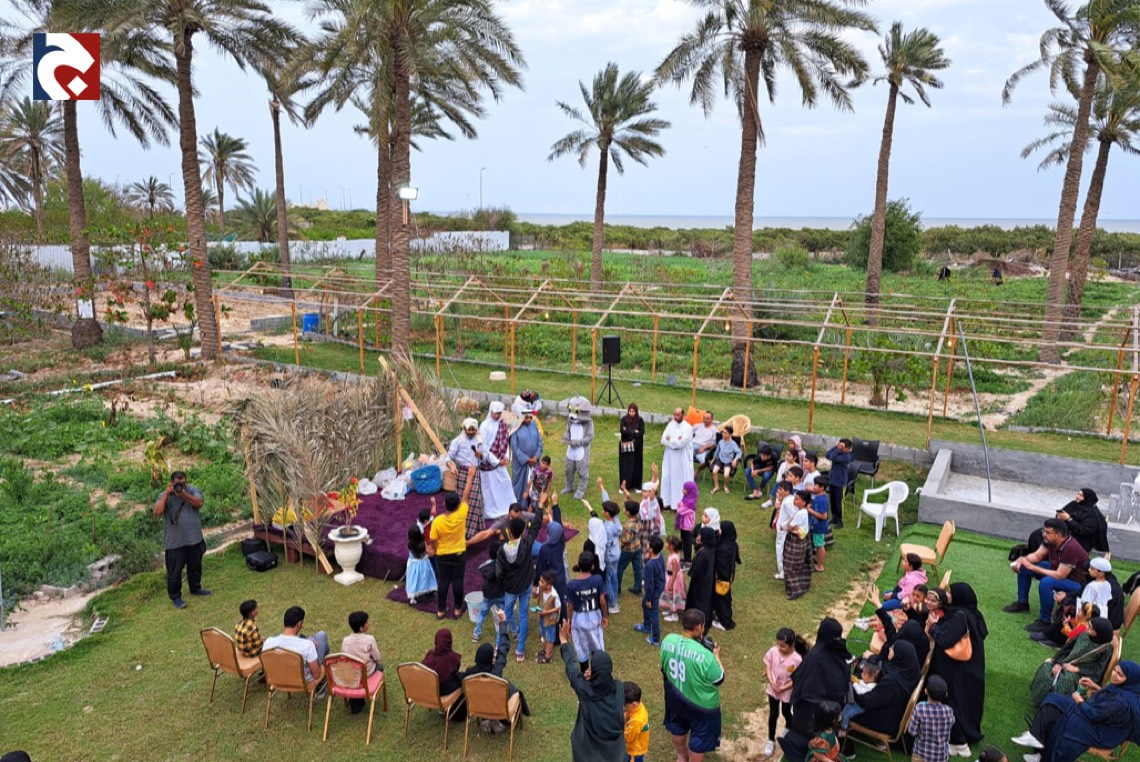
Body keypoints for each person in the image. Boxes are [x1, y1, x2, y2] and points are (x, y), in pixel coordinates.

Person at [1013, 662, 1140, 762]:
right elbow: (1108, 703)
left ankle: (1045, 757)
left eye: (1120, 674)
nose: (1114, 675)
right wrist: (1095, 686)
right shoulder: (1124, 689)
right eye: (1115, 670)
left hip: (1101, 731)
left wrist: (1079, 700)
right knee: (1054, 700)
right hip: (1096, 715)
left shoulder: (1121, 702)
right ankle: (1036, 738)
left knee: (1067, 720)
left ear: (1130, 680)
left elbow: (1094, 715)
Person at [928, 583, 988, 757]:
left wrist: (934, 626)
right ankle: (963, 737)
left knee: (954, 703)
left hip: (956, 671)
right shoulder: (973, 613)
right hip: (971, 669)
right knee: (966, 704)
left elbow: (945, 640)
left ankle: (959, 742)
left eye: (950, 592)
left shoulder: (959, 617)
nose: (947, 594)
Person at [781, 618, 851, 762]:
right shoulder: (838, 650)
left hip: (816, 709)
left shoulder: (816, 656)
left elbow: (804, 684)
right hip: (834, 705)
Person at [660, 609, 725, 762]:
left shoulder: (668, 640)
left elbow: (663, 668)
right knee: (699, 739)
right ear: (698, 627)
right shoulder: (706, 656)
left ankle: (681, 757)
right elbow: (719, 679)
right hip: (702, 707)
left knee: (678, 727)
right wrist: (716, 655)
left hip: (675, 699)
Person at [559, 617, 626, 762]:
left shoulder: (585, 690)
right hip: (613, 754)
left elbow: (571, 667)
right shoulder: (619, 688)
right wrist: (595, 676)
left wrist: (563, 639)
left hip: (587, 754)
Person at [1006, 518, 1089, 628]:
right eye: (1044, 531)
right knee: (1025, 567)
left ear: (1058, 535)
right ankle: (1022, 603)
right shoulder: (1050, 540)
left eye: (1048, 532)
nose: (1044, 534)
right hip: (1058, 569)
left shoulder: (1071, 548)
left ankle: (1044, 621)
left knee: (1046, 583)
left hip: (1077, 583)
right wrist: (1022, 560)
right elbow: (1037, 555)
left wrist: (1032, 567)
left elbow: (1060, 575)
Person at [1028, 616, 1115, 709]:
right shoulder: (1083, 634)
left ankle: (1053, 707)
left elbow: (1098, 671)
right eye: (1088, 625)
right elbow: (1066, 649)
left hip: (1082, 674)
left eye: (1090, 627)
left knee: (1063, 680)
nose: (1087, 627)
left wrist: (1077, 669)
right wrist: (1058, 663)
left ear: (1099, 633)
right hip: (1065, 663)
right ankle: (1039, 701)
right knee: (1047, 669)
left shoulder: (1106, 649)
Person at [460, 612, 531, 726]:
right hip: (498, 707)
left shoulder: (469, 675)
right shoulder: (496, 672)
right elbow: (503, 648)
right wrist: (503, 623)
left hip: (479, 707)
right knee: (514, 691)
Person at [427, 465, 477, 620]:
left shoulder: (438, 521)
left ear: (445, 504)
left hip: (442, 555)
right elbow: (466, 496)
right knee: (457, 581)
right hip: (459, 554)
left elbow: (433, 540)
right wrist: (470, 476)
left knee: (443, 582)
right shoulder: (461, 514)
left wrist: (434, 548)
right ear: (458, 506)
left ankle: (441, 611)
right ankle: (457, 610)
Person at [153, 470, 209, 609]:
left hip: (194, 539)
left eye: (183, 483)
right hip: (175, 543)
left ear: (186, 481)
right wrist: (166, 494)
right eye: (178, 483)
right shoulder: (165, 495)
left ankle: (196, 588)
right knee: (174, 572)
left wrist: (183, 494)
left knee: (195, 567)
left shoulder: (192, 490)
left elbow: (199, 503)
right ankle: (176, 597)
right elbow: (157, 512)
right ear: (172, 483)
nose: (181, 485)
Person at [497, 502, 544, 662]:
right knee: (523, 615)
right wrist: (540, 507)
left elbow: (499, 572)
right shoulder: (526, 544)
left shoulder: (502, 550)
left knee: (506, 616)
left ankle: (498, 647)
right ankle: (520, 650)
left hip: (511, 588)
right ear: (523, 531)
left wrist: (504, 583)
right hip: (525, 585)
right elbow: (536, 527)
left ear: (509, 532)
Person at [847, 640, 921, 736]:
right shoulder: (909, 672)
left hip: (882, 721)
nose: (890, 649)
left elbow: (867, 701)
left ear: (899, 655)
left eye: (893, 649)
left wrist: (852, 688)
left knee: (843, 695)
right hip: (893, 714)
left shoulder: (892, 682)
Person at [763, 628, 807, 757]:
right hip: (774, 688)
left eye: (783, 646)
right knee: (773, 713)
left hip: (787, 690)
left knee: (786, 711)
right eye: (778, 644)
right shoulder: (773, 651)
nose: (779, 648)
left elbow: (796, 679)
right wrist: (771, 681)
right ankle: (770, 740)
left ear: (792, 645)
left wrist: (783, 688)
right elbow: (768, 666)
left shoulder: (797, 659)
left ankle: (788, 727)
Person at [263, 606, 328, 693]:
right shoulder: (307, 645)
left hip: (278, 679)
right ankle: (320, 689)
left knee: (318, 638)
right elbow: (316, 675)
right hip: (303, 682)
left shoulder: (268, 642)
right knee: (322, 639)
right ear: (299, 624)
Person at [446, 421, 491, 538]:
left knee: (475, 500)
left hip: (474, 472)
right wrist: (451, 466)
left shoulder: (480, 440)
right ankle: (461, 528)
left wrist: (481, 455)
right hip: (462, 473)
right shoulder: (458, 441)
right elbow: (448, 456)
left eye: (473, 430)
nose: (471, 432)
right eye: (468, 430)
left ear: (476, 429)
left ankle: (472, 530)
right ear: (464, 429)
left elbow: (486, 455)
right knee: (462, 501)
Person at [567, 551, 609, 669]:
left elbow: (570, 606)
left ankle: (584, 672)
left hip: (578, 619)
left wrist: (569, 622)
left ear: (578, 564)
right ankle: (598, 669)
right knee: (597, 645)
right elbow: (602, 601)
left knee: (581, 647)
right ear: (592, 566)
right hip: (594, 617)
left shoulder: (572, 584)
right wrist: (605, 616)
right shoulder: (598, 579)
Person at [479, 401, 516, 519]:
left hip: (500, 463)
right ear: (491, 412)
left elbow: (505, 442)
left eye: (499, 413)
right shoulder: (484, 426)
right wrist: (496, 461)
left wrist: (505, 458)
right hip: (487, 464)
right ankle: (491, 510)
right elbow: (484, 448)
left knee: (505, 484)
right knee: (489, 489)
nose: (497, 415)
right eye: (495, 413)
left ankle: (507, 508)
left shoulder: (502, 425)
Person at [342, 611, 383, 714]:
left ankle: (355, 700)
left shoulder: (346, 641)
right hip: (366, 673)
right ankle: (363, 694)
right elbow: (377, 657)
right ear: (361, 628)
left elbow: (344, 656)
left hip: (351, 673)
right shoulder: (369, 640)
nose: (368, 624)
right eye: (367, 622)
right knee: (380, 666)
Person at [908, 675, 955, 762]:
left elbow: (912, 731)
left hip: (922, 754)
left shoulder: (920, 708)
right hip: (942, 756)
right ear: (946, 694)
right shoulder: (949, 711)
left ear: (926, 691)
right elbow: (952, 722)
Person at [1056, 488, 1109, 555]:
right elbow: (1062, 512)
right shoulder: (1073, 504)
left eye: (1081, 495)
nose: (1078, 496)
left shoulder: (1092, 514)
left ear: (1087, 498)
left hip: (1081, 541)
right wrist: (1059, 516)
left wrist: (1069, 519)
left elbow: (1084, 531)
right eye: (1078, 494)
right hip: (1064, 534)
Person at [472, 537, 505, 643]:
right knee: (506, 613)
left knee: (482, 614)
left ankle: (476, 634)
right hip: (500, 594)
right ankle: (514, 632)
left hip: (488, 595)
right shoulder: (502, 566)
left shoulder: (485, 566)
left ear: (489, 553)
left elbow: (480, 567)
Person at [509, 404, 544, 505]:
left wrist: (536, 457)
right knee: (520, 483)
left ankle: (534, 504)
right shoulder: (515, 427)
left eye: (530, 417)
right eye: (526, 417)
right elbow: (515, 447)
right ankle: (520, 504)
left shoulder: (534, 425)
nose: (529, 420)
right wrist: (527, 459)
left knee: (535, 481)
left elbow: (540, 442)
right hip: (521, 463)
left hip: (534, 461)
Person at [661, 408, 695, 511]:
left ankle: (678, 504)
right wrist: (675, 440)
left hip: (681, 458)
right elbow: (663, 440)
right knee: (666, 478)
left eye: (678, 415)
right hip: (669, 457)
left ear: (683, 415)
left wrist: (670, 439)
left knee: (678, 481)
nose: (675, 417)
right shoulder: (670, 425)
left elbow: (681, 444)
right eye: (674, 414)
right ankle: (665, 502)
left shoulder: (688, 428)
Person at [634, 536, 666, 646]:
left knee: (653, 613)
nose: (647, 545)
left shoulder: (649, 566)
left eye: (648, 544)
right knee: (644, 604)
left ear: (651, 549)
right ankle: (647, 626)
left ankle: (656, 639)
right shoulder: (660, 556)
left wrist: (649, 599)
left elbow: (649, 585)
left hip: (653, 592)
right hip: (659, 586)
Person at [784, 491, 814, 600]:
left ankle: (795, 589)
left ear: (803, 502)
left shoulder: (800, 514)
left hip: (795, 541)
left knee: (789, 566)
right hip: (802, 540)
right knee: (799, 564)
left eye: (797, 499)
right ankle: (802, 584)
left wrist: (790, 524)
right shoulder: (803, 511)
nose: (794, 501)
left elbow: (789, 527)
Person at [711, 520, 740, 630]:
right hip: (728, 577)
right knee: (724, 597)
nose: (719, 530)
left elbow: (721, 565)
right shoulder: (732, 544)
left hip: (722, 577)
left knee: (722, 598)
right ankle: (720, 616)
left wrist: (716, 576)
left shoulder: (723, 549)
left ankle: (725, 622)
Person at [686, 527, 717, 628]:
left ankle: (695, 619)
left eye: (701, 535)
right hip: (707, 580)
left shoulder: (702, 553)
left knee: (697, 601)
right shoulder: (712, 550)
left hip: (699, 582)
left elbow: (695, 570)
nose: (699, 537)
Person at [423, 628, 462, 695]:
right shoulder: (452, 658)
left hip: (430, 688)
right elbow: (456, 668)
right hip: (445, 690)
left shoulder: (430, 655)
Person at [405, 525, 437, 605]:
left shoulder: (409, 544)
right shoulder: (423, 544)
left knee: (414, 580)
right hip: (423, 564)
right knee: (426, 578)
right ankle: (430, 590)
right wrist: (434, 548)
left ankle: (413, 596)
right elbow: (431, 554)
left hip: (412, 566)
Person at [618, 500, 644, 597]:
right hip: (637, 547)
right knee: (638, 568)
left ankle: (617, 589)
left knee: (620, 568)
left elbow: (626, 540)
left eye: (624, 508)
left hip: (627, 550)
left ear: (628, 512)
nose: (623, 509)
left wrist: (619, 536)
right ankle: (637, 588)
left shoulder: (627, 526)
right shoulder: (639, 518)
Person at [824, 439, 853, 528]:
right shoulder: (838, 452)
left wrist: (838, 449)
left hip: (840, 483)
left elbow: (833, 458)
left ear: (847, 448)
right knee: (832, 500)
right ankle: (834, 517)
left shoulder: (847, 456)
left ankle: (840, 520)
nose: (840, 448)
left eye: (842, 447)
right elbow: (827, 455)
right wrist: (835, 447)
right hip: (832, 480)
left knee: (838, 502)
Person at [537, 570, 562, 664]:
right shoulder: (541, 589)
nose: (539, 583)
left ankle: (548, 656)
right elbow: (536, 595)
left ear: (548, 585)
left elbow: (558, 607)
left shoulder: (554, 595)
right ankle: (545, 650)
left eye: (542, 582)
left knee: (550, 637)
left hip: (550, 620)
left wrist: (546, 612)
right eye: (540, 580)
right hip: (543, 617)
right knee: (544, 634)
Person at [619, 404, 646, 491]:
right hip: (626, 447)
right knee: (625, 466)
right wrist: (634, 431)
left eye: (633, 411)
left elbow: (641, 432)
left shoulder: (640, 420)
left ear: (636, 411)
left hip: (637, 448)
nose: (631, 413)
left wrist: (628, 430)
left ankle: (636, 486)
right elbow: (622, 431)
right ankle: (625, 485)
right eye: (630, 411)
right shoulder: (624, 419)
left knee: (636, 466)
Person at [709, 426, 742, 494]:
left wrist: (735, 459)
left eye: (725, 433)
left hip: (728, 461)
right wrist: (713, 459)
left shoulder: (733, 444)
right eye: (723, 432)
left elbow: (739, 452)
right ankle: (716, 486)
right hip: (720, 460)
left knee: (726, 475)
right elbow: (717, 451)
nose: (723, 434)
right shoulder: (720, 442)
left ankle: (725, 486)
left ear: (730, 434)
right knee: (714, 471)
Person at [773, 480, 794, 580]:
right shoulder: (788, 499)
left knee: (780, 551)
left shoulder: (787, 502)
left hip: (784, 531)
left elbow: (794, 516)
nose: (778, 491)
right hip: (783, 529)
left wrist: (784, 526)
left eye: (781, 489)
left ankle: (783, 573)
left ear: (787, 491)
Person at [808, 477, 831, 573]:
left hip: (819, 527)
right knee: (818, 544)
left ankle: (819, 566)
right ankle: (818, 559)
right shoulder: (818, 497)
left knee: (820, 546)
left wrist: (810, 511)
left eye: (816, 485)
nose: (814, 487)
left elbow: (824, 516)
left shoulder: (822, 500)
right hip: (815, 525)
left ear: (822, 488)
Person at [663, 535, 687, 622]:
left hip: (674, 579)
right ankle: (672, 609)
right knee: (670, 594)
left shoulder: (674, 559)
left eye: (667, 542)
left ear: (671, 546)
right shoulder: (673, 555)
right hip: (671, 576)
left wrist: (671, 583)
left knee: (674, 594)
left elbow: (675, 572)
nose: (665, 544)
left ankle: (675, 614)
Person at [624, 681, 650, 762]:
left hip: (634, 753)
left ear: (633, 704)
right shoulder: (639, 707)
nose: (623, 707)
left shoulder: (637, 721)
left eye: (625, 705)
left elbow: (626, 738)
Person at [675, 481, 698, 564]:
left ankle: (688, 559)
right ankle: (685, 557)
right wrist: (680, 505)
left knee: (687, 542)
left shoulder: (690, 503)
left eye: (685, 489)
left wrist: (680, 505)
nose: (682, 490)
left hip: (687, 526)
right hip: (683, 525)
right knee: (684, 541)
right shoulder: (686, 499)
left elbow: (680, 510)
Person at [691, 410, 718, 475]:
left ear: (712, 419)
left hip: (704, 450)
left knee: (705, 462)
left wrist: (704, 448)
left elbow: (715, 444)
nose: (705, 420)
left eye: (707, 419)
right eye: (704, 418)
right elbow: (687, 433)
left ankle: (696, 473)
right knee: (681, 455)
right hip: (692, 446)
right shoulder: (697, 426)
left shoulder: (715, 430)